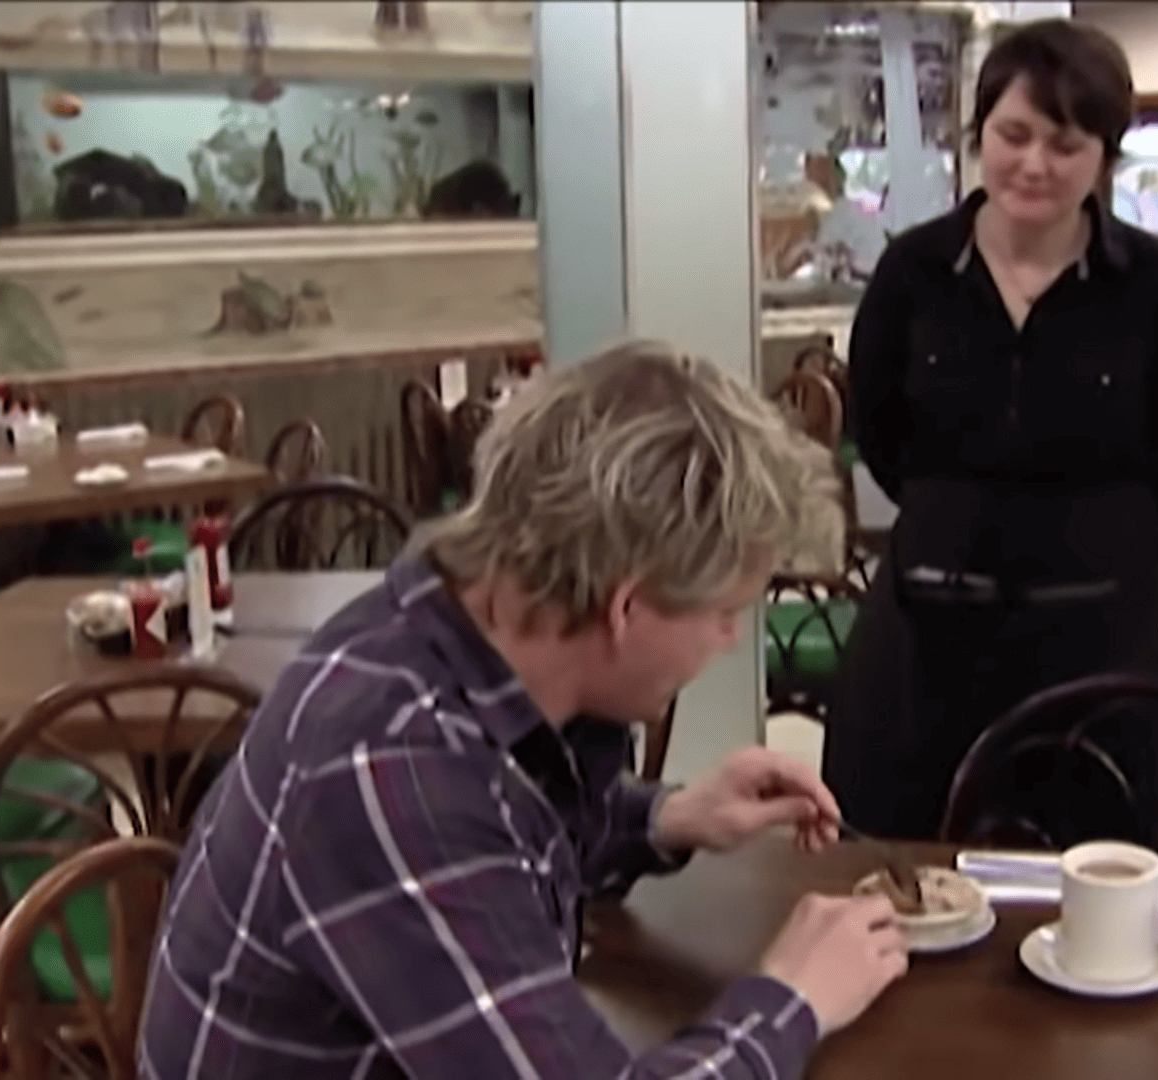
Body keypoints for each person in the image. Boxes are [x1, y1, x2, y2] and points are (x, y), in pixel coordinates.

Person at [140, 342, 908, 1079]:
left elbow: (495, 848)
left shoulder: (436, 633)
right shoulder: (391, 761)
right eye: (723, 612)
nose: (731, 639)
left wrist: (665, 818)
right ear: (626, 605)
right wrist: (794, 996)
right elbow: (447, 834)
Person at [822, 19, 1158, 849]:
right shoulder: (913, 274)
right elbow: (884, 436)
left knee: (1105, 881)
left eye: (1066, 142)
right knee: (906, 866)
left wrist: (1099, 528)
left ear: (1105, 158)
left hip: (1110, 637)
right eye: (1014, 135)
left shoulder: (1156, 287)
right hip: (928, 636)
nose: (1035, 164)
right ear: (979, 137)